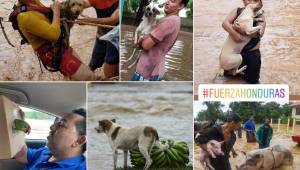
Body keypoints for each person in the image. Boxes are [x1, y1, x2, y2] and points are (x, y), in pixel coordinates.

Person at [12, 0, 97, 80]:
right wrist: (57, 11)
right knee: (89, 77)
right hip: (51, 53)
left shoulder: (33, 3)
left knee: (79, 73)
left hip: (59, 45)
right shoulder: (24, 16)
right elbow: (54, 35)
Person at [132, 0, 189, 81]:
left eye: (172, 1)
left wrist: (139, 41)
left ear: (181, 6)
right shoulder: (176, 20)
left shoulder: (168, 22)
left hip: (146, 73)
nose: (167, 2)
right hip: (156, 69)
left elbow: (145, 45)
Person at [14, 108, 87, 169]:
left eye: (61, 124)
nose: (52, 126)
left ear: (79, 140)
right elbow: (21, 154)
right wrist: (19, 125)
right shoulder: (45, 152)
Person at [222, 0, 266, 84]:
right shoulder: (237, 11)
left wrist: (240, 30)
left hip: (251, 54)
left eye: (255, 0)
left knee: (252, 83)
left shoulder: (260, 16)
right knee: (228, 80)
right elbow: (225, 23)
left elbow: (258, 34)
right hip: (233, 54)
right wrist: (234, 33)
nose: (251, 2)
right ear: (243, 0)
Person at [78, 0, 119, 79]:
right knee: (93, 64)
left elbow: (113, 20)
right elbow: (82, 3)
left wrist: (88, 20)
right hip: (102, 35)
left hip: (115, 38)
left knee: (110, 73)